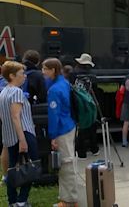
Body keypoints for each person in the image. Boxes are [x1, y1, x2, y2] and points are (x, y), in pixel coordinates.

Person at [0, 61, 39, 207]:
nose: (24, 77)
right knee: (31, 166)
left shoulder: (3, 91)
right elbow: (16, 116)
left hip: (9, 135)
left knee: (12, 168)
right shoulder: (17, 92)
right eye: (21, 74)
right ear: (11, 75)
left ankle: (12, 200)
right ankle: (22, 199)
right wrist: (23, 140)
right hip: (23, 133)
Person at [42, 58, 78, 207]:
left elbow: (54, 115)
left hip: (61, 129)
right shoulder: (64, 83)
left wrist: (53, 135)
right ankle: (67, 198)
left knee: (66, 165)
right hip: (69, 125)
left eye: (45, 69)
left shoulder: (54, 90)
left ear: (53, 70)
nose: (42, 72)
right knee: (68, 163)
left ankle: (69, 200)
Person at [69, 53, 99, 160]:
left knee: (80, 128)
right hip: (90, 102)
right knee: (92, 125)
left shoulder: (72, 74)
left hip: (77, 103)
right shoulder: (91, 76)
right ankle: (94, 148)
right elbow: (94, 89)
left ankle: (81, 152)